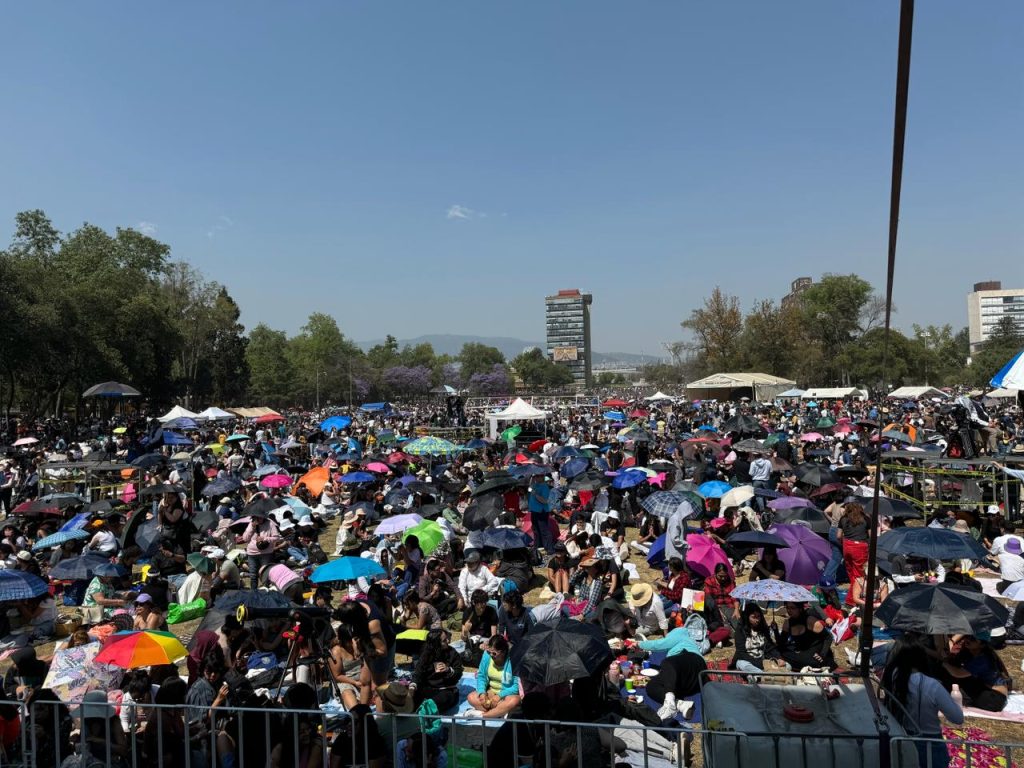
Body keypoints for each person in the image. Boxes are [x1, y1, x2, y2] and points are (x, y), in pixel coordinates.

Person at [882, 643, 963, 768]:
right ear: (922, 658)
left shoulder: (892, 678)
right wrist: (957, 702)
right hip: (930, 745)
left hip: (899, 741)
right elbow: (957, 718)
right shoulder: (932, 685)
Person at [942, 634, 1010, 712]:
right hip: (990, 692)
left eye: (973, 639)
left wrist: (944, 663)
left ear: (982, 645)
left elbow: (957, 673)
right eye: (967, 637)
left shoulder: (982, 659)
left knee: (964, 679)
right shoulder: (972, 653)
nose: (968, 640)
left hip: (994, 699)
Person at [410, 628, 463, 713]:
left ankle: (425, 710)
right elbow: (418, 672)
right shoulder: (426, 654)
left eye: (447, 638)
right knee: (410, 696)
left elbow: (458, 672)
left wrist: (448, 670)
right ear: (436, 644)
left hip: (446, 690)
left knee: (443, 699)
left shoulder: (452, 653)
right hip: (429, 688)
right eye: (444, 640)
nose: (448, 641)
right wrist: (412, 687)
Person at [467, 635, 521, 719]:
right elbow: (481, 676)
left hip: (506, 694)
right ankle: (499, 712)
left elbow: (516, 686)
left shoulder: (513, 660)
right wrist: (482, 693)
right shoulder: (486, 656)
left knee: (514, 701)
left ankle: (482, 715)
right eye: (489, 652)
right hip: (491, 691)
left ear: (502, 652)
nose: (491, 655)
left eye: (494, 653)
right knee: (471, 697)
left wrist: (500, 695)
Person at [776, 601, 834, 670]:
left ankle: (816, 664)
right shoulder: (787, 623)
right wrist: (775, 630)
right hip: (803, 651)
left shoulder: (810, 620)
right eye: (787, 608)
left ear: (800, 609)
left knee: (808, 661)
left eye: (792, 608)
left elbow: (828, 637)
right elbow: (781, 643)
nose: (789, 610)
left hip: (816, 650)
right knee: (781, 651)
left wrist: (822, 654)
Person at [731, 604, 787, 675]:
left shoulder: (763, 629)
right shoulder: (740, 630)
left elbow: (770, 647)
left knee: (787, 666)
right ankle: (762, 675)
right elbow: (741, 652)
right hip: (747, 660)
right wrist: (758, 663)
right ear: (747, 617)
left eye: (758, 616)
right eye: (753, 617)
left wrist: (779, 658)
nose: (757, 620)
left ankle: (757, 676)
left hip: (763, 659)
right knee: (742, 664)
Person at [328, 624, 371, 711]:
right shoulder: (337, 651)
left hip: (362, 680)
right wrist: (354, 682)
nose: (354, 642)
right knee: (352, 702)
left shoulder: (361, 645)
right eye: (351, 640)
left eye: (356, 639)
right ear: (344, 640)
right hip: (345, 681)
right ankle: (357, 715)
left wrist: (358, 651)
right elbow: (337, 676)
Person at [837, 502, 870, 602]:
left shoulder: (843, 519)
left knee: (850, 571)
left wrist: (843, 543)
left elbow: (838, 536)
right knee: (859, 573)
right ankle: (853, 598)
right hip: (860, 546)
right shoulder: (866, 519)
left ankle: (853, 594)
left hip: (847, 545)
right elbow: (871, 536)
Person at [527, 474, 554, 557]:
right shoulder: (534, 485)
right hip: (534, 511)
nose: (536, 478)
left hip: (541, 511)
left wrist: (535, 494)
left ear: (542, 477)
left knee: (544, 530)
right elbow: (530, 486)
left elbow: (545, 501)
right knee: (535, 530)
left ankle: (549, 549)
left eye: (538, 476)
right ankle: (538, 546)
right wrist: (531, 477)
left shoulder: (545, 487)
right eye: (535, 477)